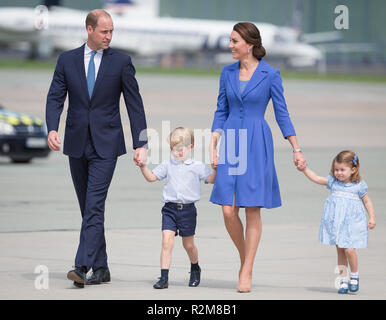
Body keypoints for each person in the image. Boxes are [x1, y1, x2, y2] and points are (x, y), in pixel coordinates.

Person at [45, 9, 148, 288]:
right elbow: (55, 97)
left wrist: (141, 143)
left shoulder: (121, 62)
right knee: (88, 208)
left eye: (112, 31)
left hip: (107, 145)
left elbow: (135, 105)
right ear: (89, 30)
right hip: (77, 143)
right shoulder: (67, 60)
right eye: (104, 31)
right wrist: (52, 128)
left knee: (94, 205)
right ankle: (101, 268)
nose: (109, 36)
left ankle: (81, 265)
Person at [209, 22, 306, 293]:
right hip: (231, 140)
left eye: (234, 41)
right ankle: (245, 259)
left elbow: (282, 113)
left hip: (256, 141)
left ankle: (246, 270)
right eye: (230, 40)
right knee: (228, 209)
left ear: (249, 44)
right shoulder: (226, 72)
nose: (230, 45)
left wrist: (296, 148)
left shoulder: (271, 75)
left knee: (252, 208)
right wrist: (214, 139)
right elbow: (221, 108)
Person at [139, 127, 216, 289]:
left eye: (182, 149)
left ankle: (195, 267)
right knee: (167, 242)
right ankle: (164, 277)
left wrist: (216, 169)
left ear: (191, 147)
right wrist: (142, 167)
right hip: (169, 209)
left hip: (188, 211)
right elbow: (152, 178)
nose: (178, 152)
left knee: (188, 245)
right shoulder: (168, 164)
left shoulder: (197, 166)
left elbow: (210, 179)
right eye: (174, 149)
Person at [297, 150, 376, 294]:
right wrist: (304, 169)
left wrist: (372, 217)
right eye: (336, 169)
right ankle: (343, 280)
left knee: (349, 249)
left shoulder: (358, 185)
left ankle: (354, 275)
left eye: (342, 170)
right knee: (340, 250)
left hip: (352, 223)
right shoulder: (333, 182)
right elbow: (316, 178)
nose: (338, 173)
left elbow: (367, 201)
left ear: (353, 169)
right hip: (336, 222)